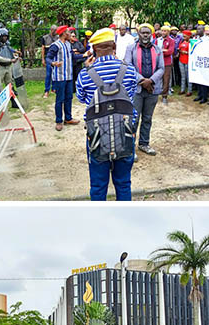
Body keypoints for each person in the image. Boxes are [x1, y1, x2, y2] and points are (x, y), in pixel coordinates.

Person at [76, 27, 137, 201]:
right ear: (114, 47)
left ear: (94, 49)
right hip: (125, 133)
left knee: (97, 185)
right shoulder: (130, 70)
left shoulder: (85, 74)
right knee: (124, 183)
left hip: (96, 137)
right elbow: (131, 95)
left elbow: (81, 98)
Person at [125, 24, 164, 155]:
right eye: (143, 32)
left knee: (147, 118)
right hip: (137, 89)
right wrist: (142, 81)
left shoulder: (157, 49)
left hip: (152, 89)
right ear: (139, 34)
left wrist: (151, 81)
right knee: (133, 119)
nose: (146, 35)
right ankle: (130, 147)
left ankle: (144, 144)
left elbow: (161, 68)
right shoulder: (131, 48)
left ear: (151, 34)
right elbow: (128, 66)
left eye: (148, 32)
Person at [46, 26, 79, 132]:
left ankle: (68, 118)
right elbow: (48, 58)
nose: (70, 33)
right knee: (60, 100)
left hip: (69, 76)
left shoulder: (69, 44)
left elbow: (73, 57)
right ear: (64, 33)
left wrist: (85, 55)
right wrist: (53, 63)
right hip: (60, 77)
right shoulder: (55, 46)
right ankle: (59, 121)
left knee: (69, 97)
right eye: (69, 32)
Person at [41, 25, 57, 96]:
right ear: (51, 30)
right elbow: (43, 49)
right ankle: (46, 90)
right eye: (54, 30)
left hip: (56, 58)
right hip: (48, 58)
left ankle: (54, 88)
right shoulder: (45, 38)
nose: (55, 32)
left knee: (55, 74)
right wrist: (43, 59)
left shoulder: (58, 38)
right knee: (48, 74)